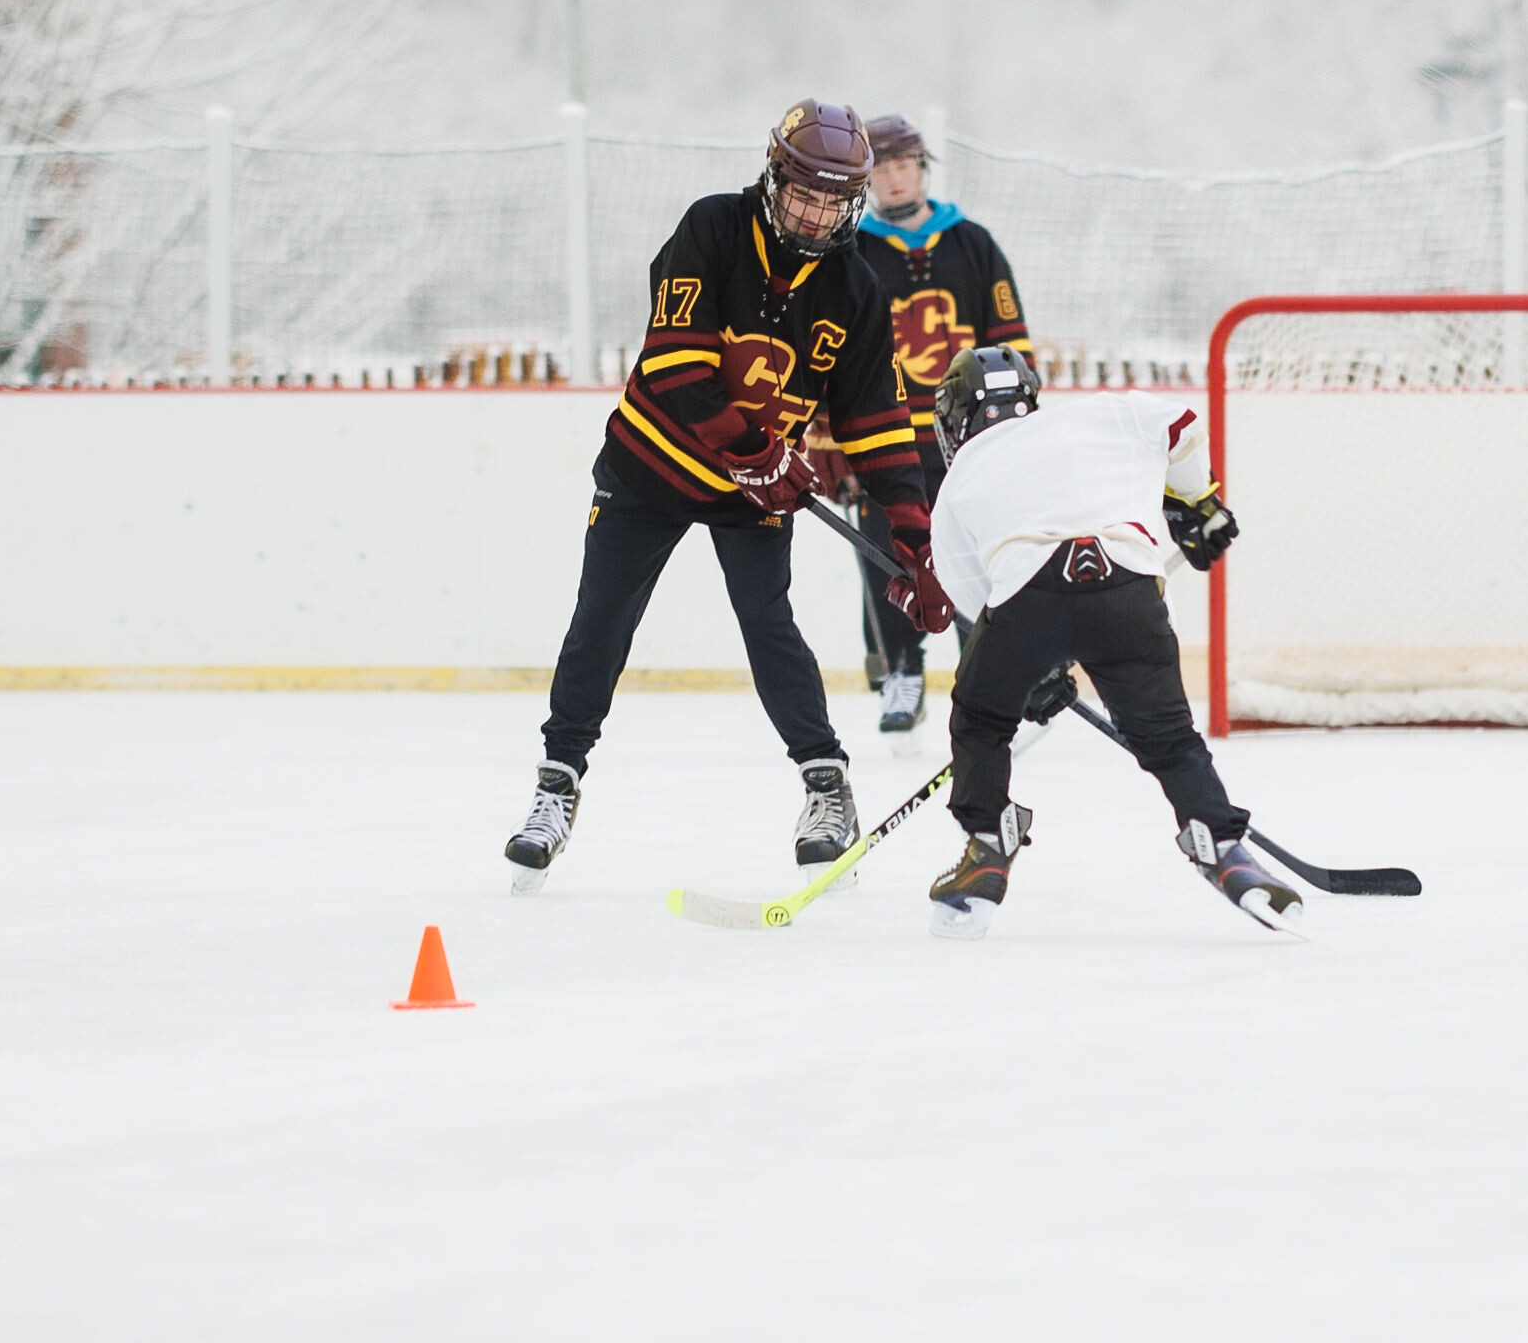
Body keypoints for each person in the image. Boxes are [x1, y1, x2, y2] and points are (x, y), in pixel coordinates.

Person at [503, 100, 954, 889]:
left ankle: (826, 785)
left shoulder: (855, 286)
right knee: (601, 619)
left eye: (831, 201)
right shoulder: (711, 228)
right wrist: (755, 453)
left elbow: (878, 423)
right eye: (802, 193)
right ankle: (558, 782)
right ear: (774, 178)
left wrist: (915, 543)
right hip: (649, 470)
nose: (813, 214)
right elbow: (675, 361)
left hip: (755, 490)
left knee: (768, 624)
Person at [917, 344, 1292, 939]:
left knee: (981, 719)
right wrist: (1196, 501)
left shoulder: (960, 476)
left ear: (957, 413)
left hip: (1028, 600)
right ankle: (1222, 845)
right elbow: (1181, 425)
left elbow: (975, 600)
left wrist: (1036, 671)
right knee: (1169, 737)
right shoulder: (1101, 414)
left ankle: (986, 845)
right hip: (1129, 589)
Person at [847, 113, 1034, 740]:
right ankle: (901, 670)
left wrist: (1017, 423)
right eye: (882, 169)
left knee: (977, 553)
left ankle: (985, 672)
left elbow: (1008, 337)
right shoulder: (852, 252)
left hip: (968, 437)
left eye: (904, 165)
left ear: (923, 169)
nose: (894, 179)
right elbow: (832, 350)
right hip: (885, 435)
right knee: (888, 553)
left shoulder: (972, 243)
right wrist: (828, 435)